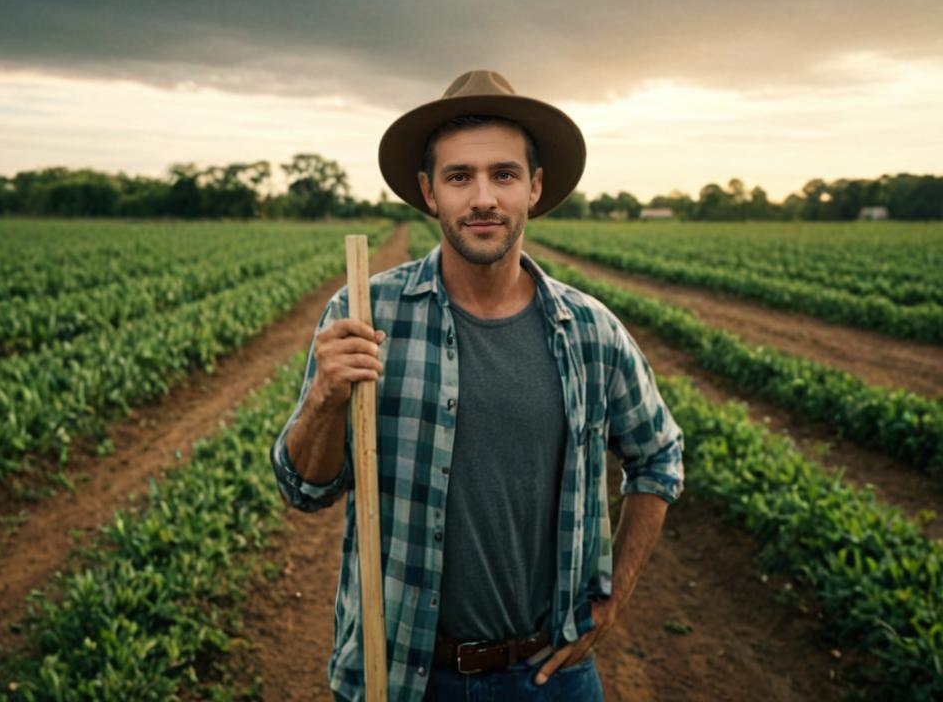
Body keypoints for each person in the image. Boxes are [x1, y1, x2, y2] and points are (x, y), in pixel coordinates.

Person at [270, 70, 685, 701]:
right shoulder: (366, 314)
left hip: (552, 676)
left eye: (504, 174)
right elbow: (303, 488)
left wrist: (613, 599)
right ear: (429, 192)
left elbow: (659, 455)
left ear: (535, 188)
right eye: (460, 176)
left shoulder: (591, 332)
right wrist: (326, 398)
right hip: (405, 674)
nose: (483, 197)